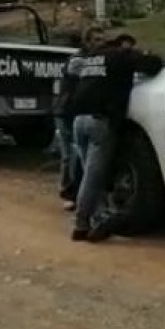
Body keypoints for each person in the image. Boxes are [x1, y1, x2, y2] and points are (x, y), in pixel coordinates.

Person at [67, 40, 163, 242]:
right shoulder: (121, 56)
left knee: (90, 176)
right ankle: (81, 225)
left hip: (79, 121)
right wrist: (143, 53)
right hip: (99, 122)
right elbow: (153, 64)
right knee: (94, 178)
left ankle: (97, 219)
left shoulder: (92, 57)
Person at [53, 27, 106, 210]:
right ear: (88, 42)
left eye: (103, 40)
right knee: (70, 155)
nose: (101, 43)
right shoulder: (78, 61)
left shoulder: (94, 60)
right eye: (97, 40)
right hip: (67, 111)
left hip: (78, 112)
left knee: (80, 156)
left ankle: (79, 193)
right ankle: (69, 192)